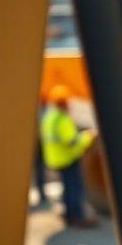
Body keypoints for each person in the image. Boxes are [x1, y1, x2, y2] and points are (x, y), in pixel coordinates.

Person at [40, 85, 96, 228]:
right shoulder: (62, 118)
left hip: (56, 158)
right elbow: (71, 141)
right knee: (74, 188)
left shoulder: (49, 116)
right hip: (68, 158)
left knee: (66, 187)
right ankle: (77, 217)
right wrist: (88, 136)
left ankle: (69, 215)